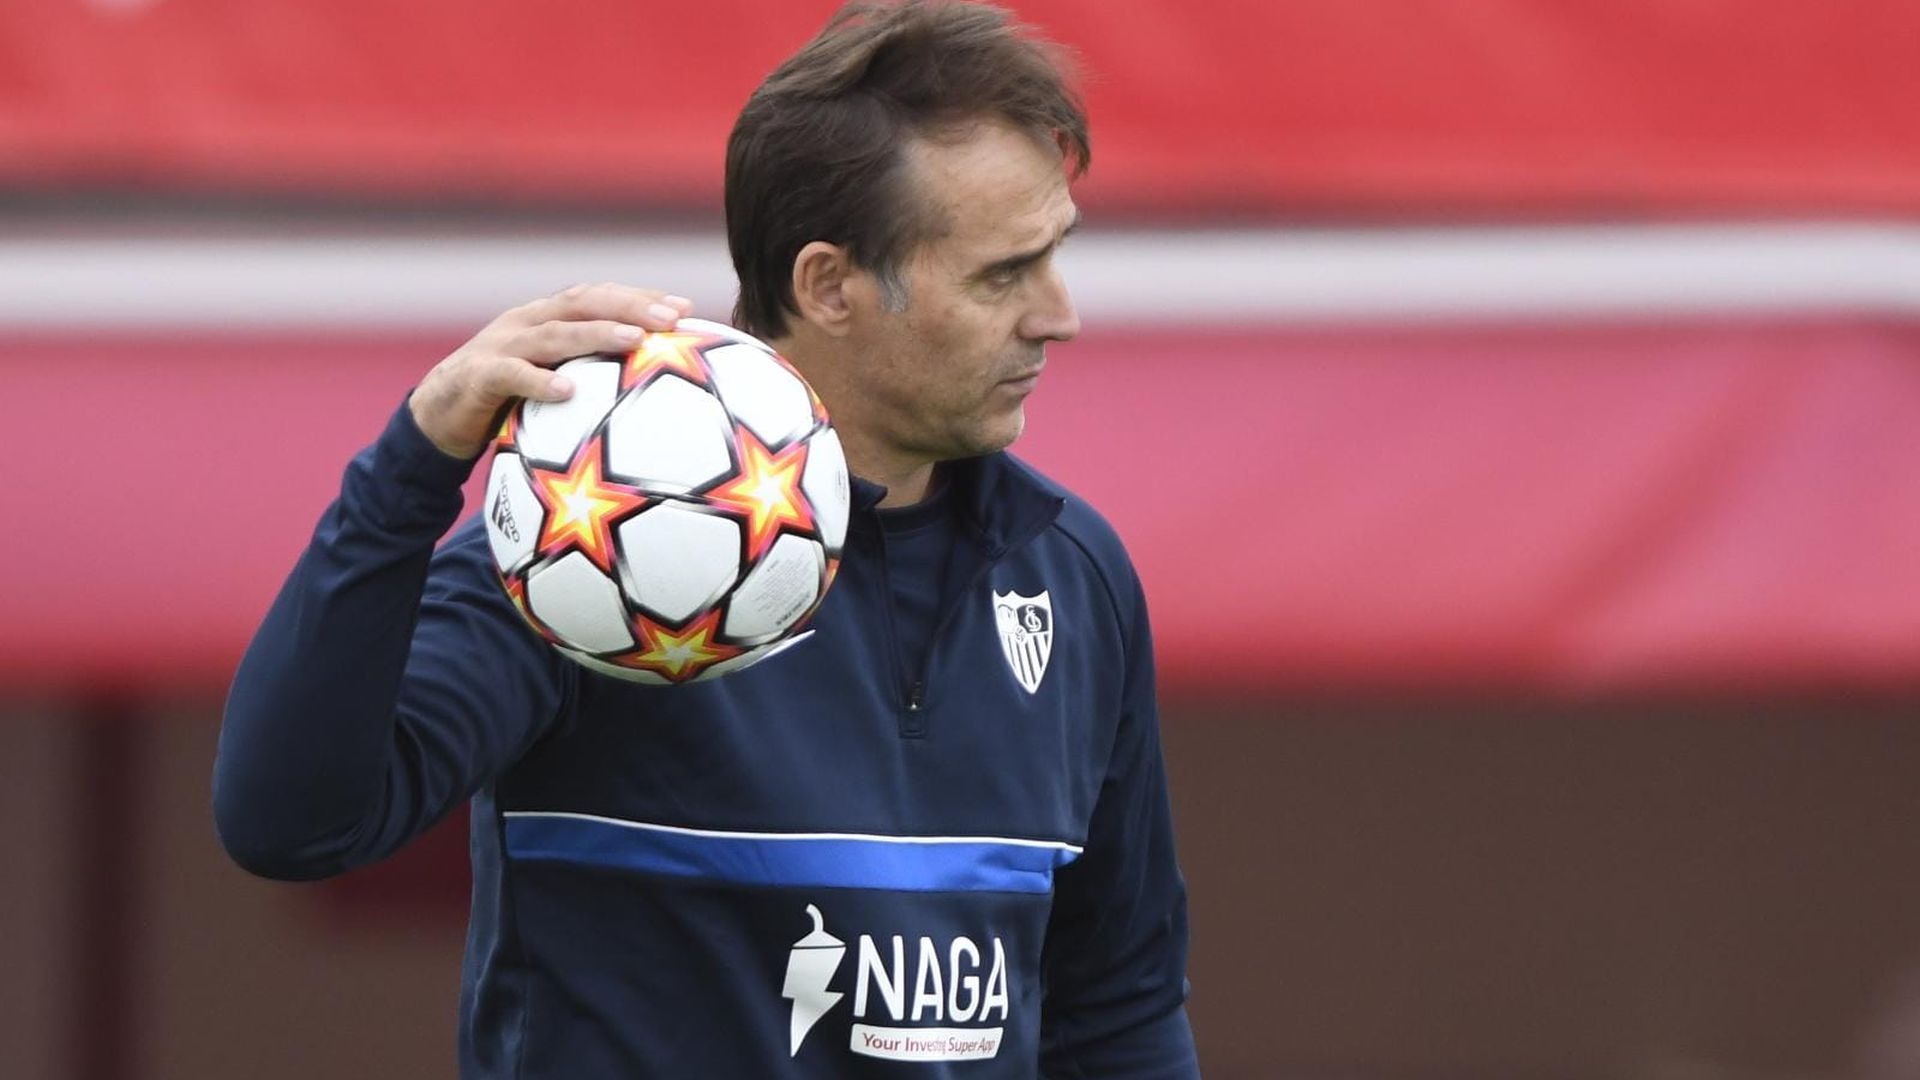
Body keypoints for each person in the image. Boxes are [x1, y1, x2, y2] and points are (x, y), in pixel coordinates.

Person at [214, 2, 1198, 1076]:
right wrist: (414, 460)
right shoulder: (599, 546)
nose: (1059, 314)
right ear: (829, 284)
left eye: (1054, 256)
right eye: (1003, 274)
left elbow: (1119, 1009)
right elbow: (291, 825)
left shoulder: (1070, 570)